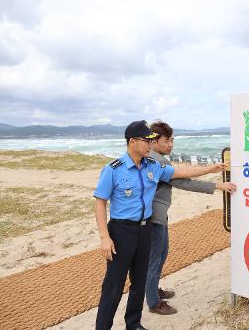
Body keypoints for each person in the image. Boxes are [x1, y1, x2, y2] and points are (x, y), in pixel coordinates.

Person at [93, 120, 230, 330]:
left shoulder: (153, 166)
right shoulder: (113, 169)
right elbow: (100, 202)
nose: (150, 144)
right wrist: (105, 237)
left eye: (151, 140)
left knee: (139, 283)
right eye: (146, 140)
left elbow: (181, 173)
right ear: (132, 142)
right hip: (122, 231)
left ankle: (134, 324)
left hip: (145, 229)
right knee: (113, 286)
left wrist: (212, 168)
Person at [145, 120, 236, 315]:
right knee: (155, 258)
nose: (171, 145)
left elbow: (181, 180)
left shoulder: (156, 158)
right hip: (153, 218)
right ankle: (153, 302)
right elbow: (183, 180)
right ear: (153, 142)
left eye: (172, 140)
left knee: (160, 255)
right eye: (167, 141)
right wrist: (215, 178)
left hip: (158, 215)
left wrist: (215, 183)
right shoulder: (155, 161)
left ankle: (153, 290)